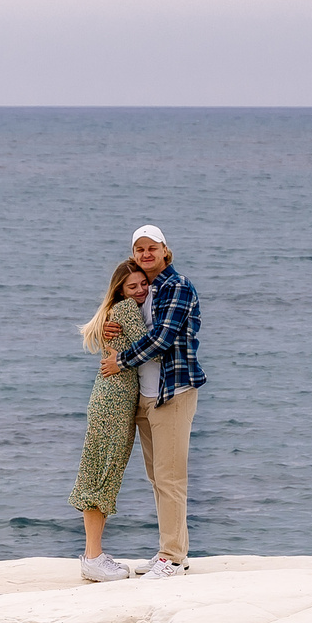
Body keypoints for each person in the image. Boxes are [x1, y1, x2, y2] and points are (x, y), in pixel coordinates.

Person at [98, 225, 205, 578]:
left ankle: (171, 557)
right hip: (145, 396)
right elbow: (129, 329)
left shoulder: (177, 286)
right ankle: (173, 553)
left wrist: (120, 361)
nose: (146, 254)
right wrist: (109, 328)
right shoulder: (143, 292)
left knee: (171, 478)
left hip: (172, 393)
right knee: (158, 478)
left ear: (164, 250)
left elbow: (161, 340)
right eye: (139, 249)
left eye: (152, 248)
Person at [70, 261, 151, 583]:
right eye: (133, 286)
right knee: (103, 475)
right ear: (120, 290)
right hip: (114, 403)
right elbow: (154, 348)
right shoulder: (128, 310)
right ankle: (92, 557)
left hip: (108, 399)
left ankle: (93, 554)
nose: (140, 290)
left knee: (99, 472)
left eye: (144, 284)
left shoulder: (117, 311)